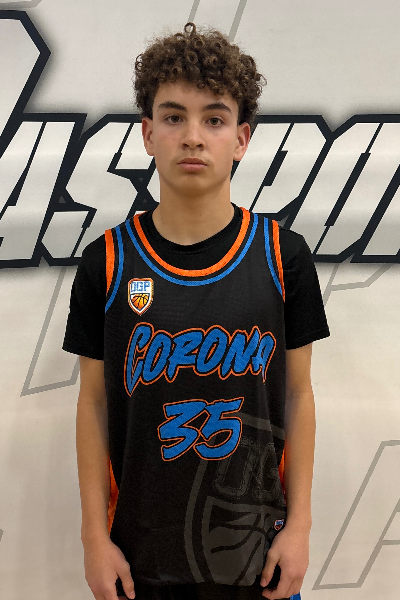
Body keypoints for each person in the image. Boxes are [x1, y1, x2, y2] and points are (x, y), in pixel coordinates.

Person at [63, 21, 330, 600]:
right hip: (138, 558)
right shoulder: (106, 263)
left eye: (214, 119)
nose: (192, 137)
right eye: (173, 117)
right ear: (147, 133)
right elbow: (93, 403)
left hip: (259, 554)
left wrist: (301, 527)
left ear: (241, 139)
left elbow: (298, 395)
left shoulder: (282, 256)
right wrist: (93, 537)